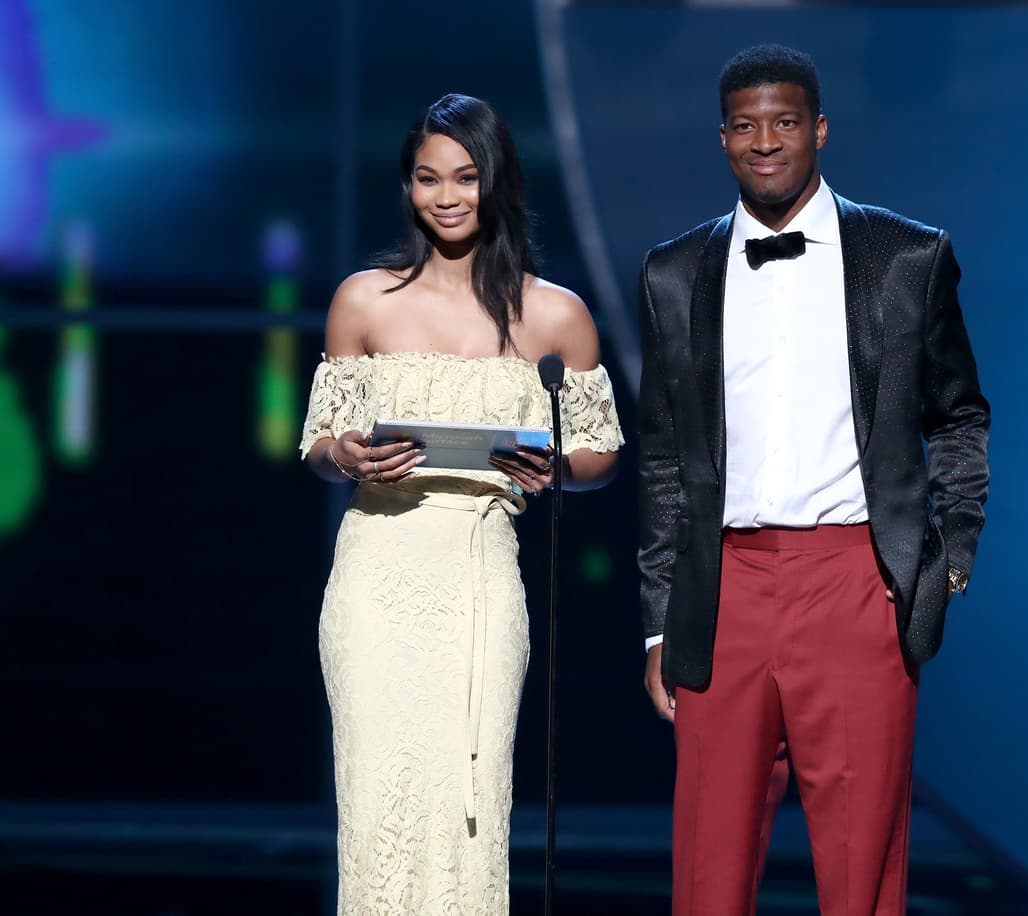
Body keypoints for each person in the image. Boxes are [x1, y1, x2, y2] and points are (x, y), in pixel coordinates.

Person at [637, 45, 990, 915]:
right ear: (723, 139)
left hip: (857, 580)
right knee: (709, 867)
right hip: (725, 589)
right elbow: (663, 456)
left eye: (786, 122)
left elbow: (959, 417)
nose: (768, 142)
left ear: (820, 129)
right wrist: (657, 622)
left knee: (861, 858)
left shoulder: (908, 257)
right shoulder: (675, 274)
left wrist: (943, 567)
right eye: (748, 126)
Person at [299, 93, 622, 914]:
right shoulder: (363, 301)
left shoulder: (558, 315)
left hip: (480, 576)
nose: (446, 196)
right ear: (407, 187)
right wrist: (346, 453)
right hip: (377, 577)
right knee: (377, 799)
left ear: (497, 181)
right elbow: (319, 444)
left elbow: (602, 454)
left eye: (466, 177)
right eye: (427, 178)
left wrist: (557, 469)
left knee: (472, 795)